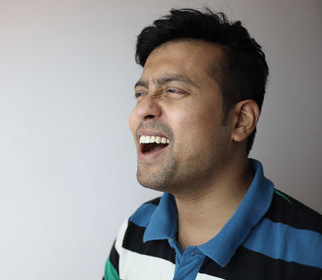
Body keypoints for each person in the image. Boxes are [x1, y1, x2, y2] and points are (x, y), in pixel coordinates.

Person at [103, 8, 322, 280]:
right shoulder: (133, 231)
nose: (141, 110)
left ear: (241, 120)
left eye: (173, 90)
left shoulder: (314, 254)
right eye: (140, 93)